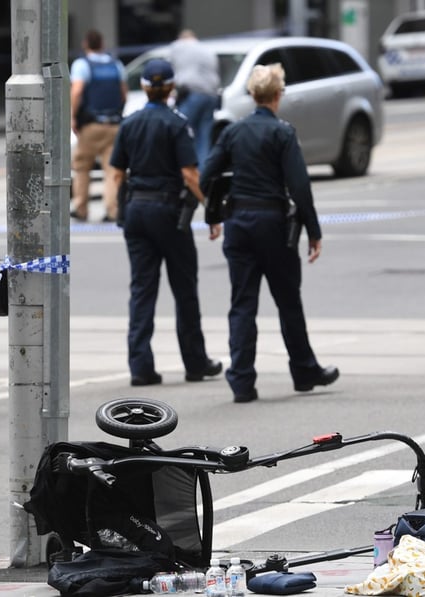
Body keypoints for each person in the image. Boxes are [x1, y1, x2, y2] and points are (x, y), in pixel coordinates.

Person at [200, 63, 339, 403]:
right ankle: (304, 370)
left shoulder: (232, 132)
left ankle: (242, 381)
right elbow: (299, 186)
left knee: (242, 303)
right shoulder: (283, 132)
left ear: (251, 94)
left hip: (239, 225)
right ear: (278, 95)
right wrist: (313, 230)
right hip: (273, 225)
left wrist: (214, 214)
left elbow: (207, 175)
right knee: (288, 301)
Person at [108, 59, 223, 387]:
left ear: (144, 87)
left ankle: (141, 366)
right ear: (171, 88)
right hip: (169, 214)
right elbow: (189, 174)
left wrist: (123, 206)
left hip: (136, 211)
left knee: (142, 290)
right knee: (184, 288)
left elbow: (117, 172)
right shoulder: (177, 123)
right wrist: (211, 209)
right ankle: (195, 362)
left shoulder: (129, 124)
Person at [70, 29, 128, 222]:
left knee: (82, 167)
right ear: (102, 44)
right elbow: (123, 93)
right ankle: (112, 210)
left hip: (91, 125)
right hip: (114, 124)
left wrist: (72, 116)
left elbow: (77, 91)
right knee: (112, 169)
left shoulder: (82, 65)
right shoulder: (116, 64)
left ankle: (81, 208)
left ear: (86, 44)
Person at [169, 29, 220, 168]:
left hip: (191, 94)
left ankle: (182, 174)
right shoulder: (206, 49)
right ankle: (202, 178)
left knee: (179, 133)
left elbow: (171, 71)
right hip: (211, 96)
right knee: (203, 139)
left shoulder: (179, 46)